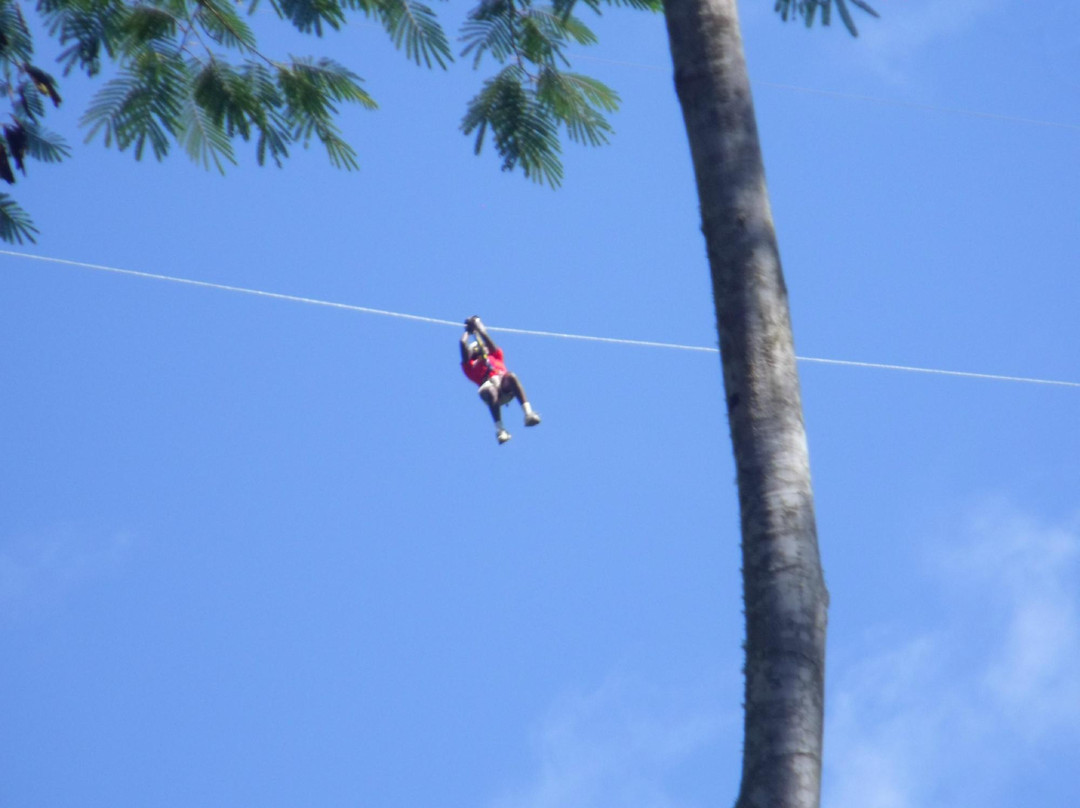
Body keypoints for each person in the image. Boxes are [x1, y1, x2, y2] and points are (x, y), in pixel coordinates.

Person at [460, 315, 541, 444]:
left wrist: (477, 324)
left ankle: (528, 413)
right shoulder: (470, 367)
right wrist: (467, 332)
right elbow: (463, 344)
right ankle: (500, 430)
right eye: (475, 351)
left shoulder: (495, 356)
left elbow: (485, 336)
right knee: (490, 389)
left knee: (511, 376)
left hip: (504, 387)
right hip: (490, 392)